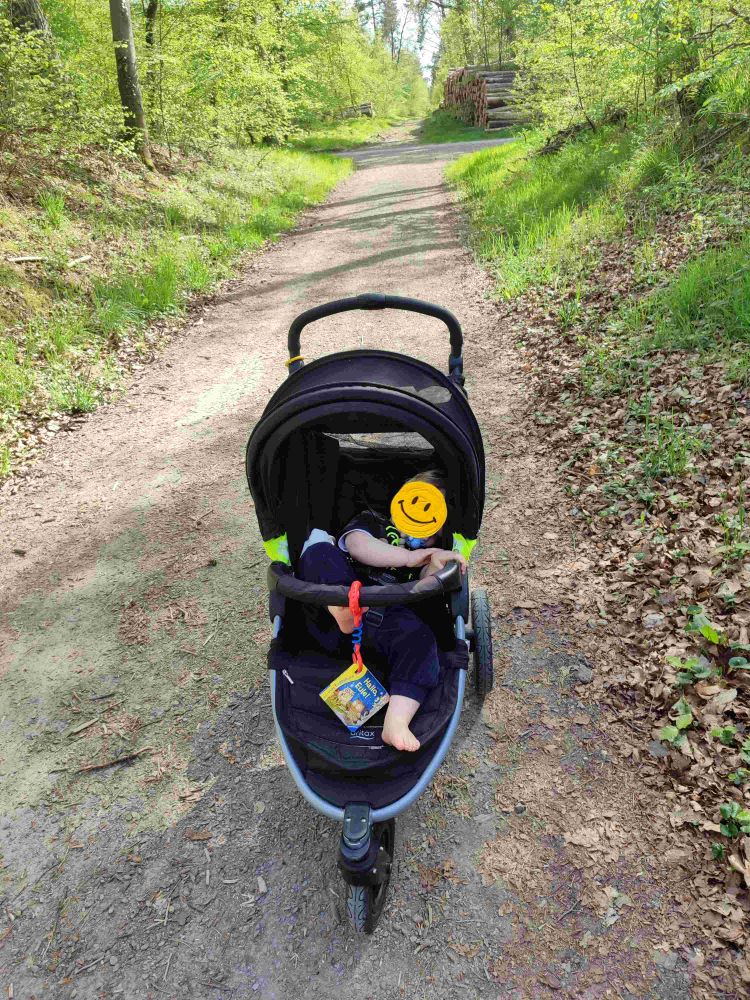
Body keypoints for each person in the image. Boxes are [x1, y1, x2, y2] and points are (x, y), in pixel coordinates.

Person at [298, 471, 467, 752]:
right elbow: (357, 546)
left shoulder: (431, 550)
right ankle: (344, 609)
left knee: (422, 643)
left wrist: (434, 565)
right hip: (334, 608)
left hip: (388, 622)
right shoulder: (375, 523)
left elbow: (427, 586)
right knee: (318, 550)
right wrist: (410, 556)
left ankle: (396, 722)